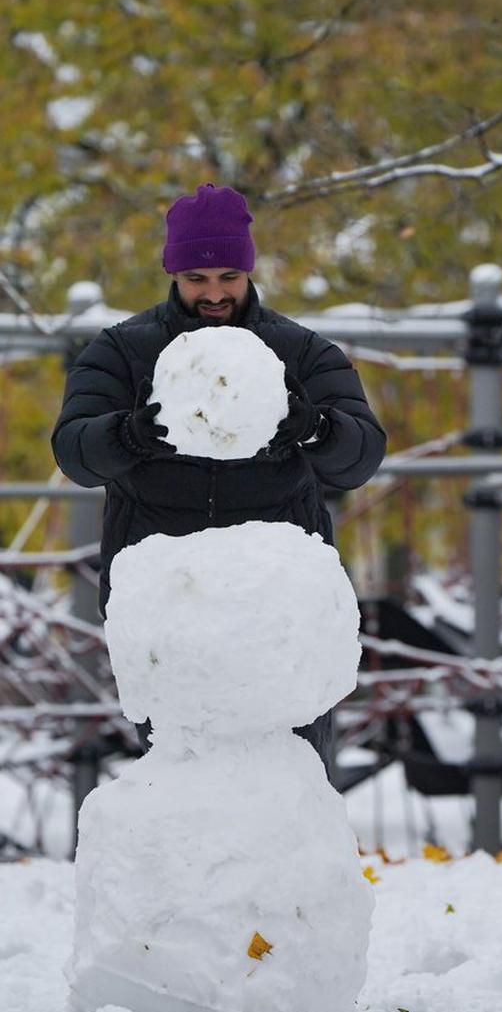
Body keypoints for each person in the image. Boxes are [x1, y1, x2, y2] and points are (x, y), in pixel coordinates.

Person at [52, 183, 386, 765]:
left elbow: (363, 455)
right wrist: (127, 434)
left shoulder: (301, 351)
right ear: (173, 273)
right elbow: (74, 452)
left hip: (278, 611)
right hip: (167, 608)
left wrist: (314, 426)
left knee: (289, 777)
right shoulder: (122, 351)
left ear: (249, 271)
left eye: (229, 277)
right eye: (196, 279)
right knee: (180, 777)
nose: (213, 293)